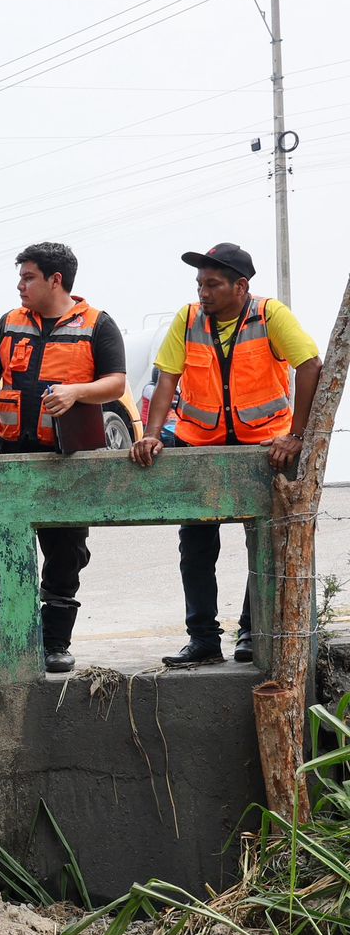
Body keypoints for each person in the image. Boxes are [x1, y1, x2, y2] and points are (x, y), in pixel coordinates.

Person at [131, 242, 321, 667]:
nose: (203, 292)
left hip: (264, 450)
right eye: (200, 284)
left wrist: (297, 436)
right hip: (200, 447)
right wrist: (151, 434)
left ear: (241, 286)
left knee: (264, 543)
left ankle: (252, 633)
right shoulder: (188, 320)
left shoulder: (270, 315)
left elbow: (310, 365)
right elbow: (167, 378)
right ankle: (203, 640)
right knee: (196, 548)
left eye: (213, 284)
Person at [0, 243, 127, 676]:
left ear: (55, 280)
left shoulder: (98, 325)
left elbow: (116, 384)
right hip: (11, 457)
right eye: (21, 277)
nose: (20, 285)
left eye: (28, 277)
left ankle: (54, 644)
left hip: (66, 461)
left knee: (65, 555)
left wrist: (76, 392)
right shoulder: (9, 323)